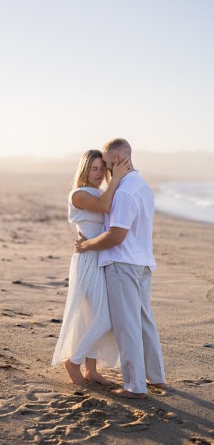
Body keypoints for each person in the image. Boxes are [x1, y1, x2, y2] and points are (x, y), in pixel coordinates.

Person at [75, 138, 166, 398]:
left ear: (115, 159)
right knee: (144, 320)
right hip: (143, 262)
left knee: (127, 326)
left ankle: (135, 386)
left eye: (104, 163)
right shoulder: (142, 186)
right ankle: (156, 377)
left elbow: (116, 236)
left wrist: (86, 245)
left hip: (123, 263)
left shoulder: (124, 191)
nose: (103, 170)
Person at [52, 149, 130, 385]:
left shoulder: (98, 191)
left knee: (92, 317)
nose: (98, 173)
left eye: (101, 169)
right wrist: (115, 178)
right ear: (85, 170)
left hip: (101, 257)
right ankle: (73, 361)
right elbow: (105, 207)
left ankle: (91, 369)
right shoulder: (79, 194)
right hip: (87, 259)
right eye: (93, 169)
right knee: (104, 318)